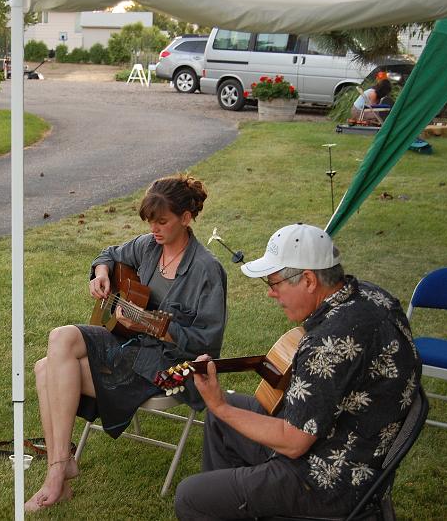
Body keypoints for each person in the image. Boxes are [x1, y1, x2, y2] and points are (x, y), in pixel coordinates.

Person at [175, 223, 422, 520]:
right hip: (348, 439)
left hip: (326, 479)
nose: (271, 294)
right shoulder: (370, 295)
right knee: (220, 421)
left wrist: (217, 403)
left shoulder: (327, 343)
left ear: (308, 279)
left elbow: (293, 443)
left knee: (192, 496)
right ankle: (233, 505)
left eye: (274, 283)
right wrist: (222, 411)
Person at [25, 174, 227, 512]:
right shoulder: (149, 246)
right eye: (150, 221)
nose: (155, 229)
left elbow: (206, 344)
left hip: (167, 367)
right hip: (128, 346)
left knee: (46, 369)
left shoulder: (207, 270)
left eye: (162, 221)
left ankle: (57, 473)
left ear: (186, 218)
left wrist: (153, 326)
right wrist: (102, 274)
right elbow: (109, 253)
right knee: (59, 338)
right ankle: (61, 465)